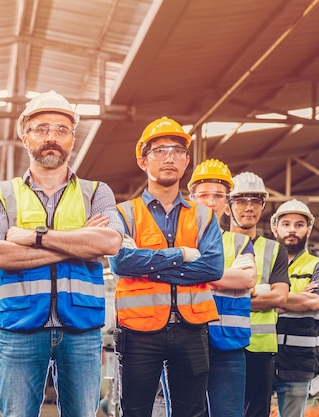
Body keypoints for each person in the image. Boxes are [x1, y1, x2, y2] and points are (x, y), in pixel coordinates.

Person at [0, 90, 123, 417]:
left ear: (72, 139)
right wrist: (78, 242)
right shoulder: (0, 194)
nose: (51, 137)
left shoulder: (97, 192)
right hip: (19, 324)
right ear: (24, 136)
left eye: (61, 130)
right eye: (42, 129)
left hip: (81, 328)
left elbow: (110, 243)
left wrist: (36, 238)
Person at [108, 117, 224, 417]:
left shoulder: (204, 216)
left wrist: (146, 264)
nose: (169, 157)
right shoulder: (123, 213)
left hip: (192, 329)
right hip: (138, 330)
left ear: (187, 160)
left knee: (192, 412)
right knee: (135, 411)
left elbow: (212, 268)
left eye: (177, 150)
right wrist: (182, 254)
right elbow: (121, 263)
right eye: (159, 150)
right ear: (142, 161)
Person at [187, 159, 257, 417]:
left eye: (218, 196)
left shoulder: (239, 242)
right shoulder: (177, 239)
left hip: (228, 345)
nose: (211, 202)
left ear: (227, 204)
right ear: (191, 199)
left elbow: (247, 281)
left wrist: (194, 269)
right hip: (185, 342)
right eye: (203, 195)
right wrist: (224, 275)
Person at [224, 172, 290, 417]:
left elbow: (280, 298)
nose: (249, 207)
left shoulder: (274, 250)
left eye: (256, 200)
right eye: (241, 200)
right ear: (228, 207)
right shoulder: (215, 244)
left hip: (259, 348)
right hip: (220, 343)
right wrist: (255, 297)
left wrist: (228, 298)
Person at [270, 200, 319, 417]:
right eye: (286, 224)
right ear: (275, 228)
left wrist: (270, 299)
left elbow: (313, 302)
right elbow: (247, 300)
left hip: (299, 362)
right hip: (260, 357)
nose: (292, 230)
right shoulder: (262, 263)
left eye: (299, 224)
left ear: (308, 230)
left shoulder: (318, 266)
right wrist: (298, 297)